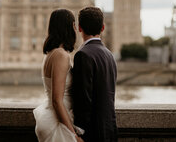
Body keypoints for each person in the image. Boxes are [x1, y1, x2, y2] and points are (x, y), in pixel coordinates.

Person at [33, 9, 84, 142]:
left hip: (51, 117)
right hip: (58, 122)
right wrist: (73, 134)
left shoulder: (50, 54)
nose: (76, 30)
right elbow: (57, 100)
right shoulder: (61, 55)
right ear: (70, 26)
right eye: (74, 25)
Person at [72, 7, 118, 142]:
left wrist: (79, 133)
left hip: (92, 133)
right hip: (110, 130)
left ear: (79, 28)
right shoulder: (110, 55)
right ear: (102, 28)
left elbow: (83, 99)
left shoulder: (82, 55)